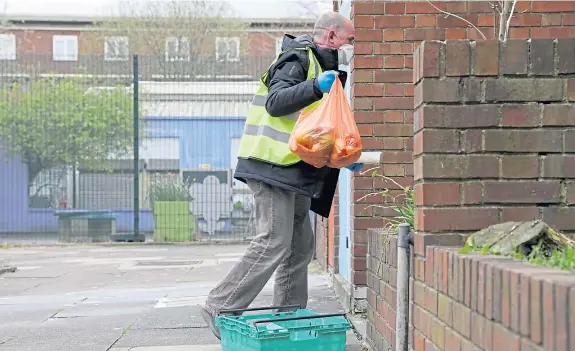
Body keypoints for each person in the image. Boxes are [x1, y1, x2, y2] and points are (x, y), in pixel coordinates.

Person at [201, 11, 361, 339]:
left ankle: (289, 320)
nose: (351, 47)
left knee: (299, 246)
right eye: (350, 40)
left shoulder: (326, 69)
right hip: (271, 166)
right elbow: (276, 103)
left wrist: (341, 158)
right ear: (332, 36)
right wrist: (315, 86)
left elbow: (316, 131)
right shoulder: (297, 58)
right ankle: (220, 305)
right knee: (273, 240)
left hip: (296, 171)